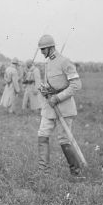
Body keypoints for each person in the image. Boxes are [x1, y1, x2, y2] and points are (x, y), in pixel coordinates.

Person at [36, 34, 83, 178]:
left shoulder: (65, 62)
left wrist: (58, 97)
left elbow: (76, 85)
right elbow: (52, 84)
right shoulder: (47, 63)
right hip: (49, 107)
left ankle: (76, 171)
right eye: (41, 49)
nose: (42, 52)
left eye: (44, 49)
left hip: (64, 107)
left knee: (64, 139)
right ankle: (43, 171)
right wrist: (46, 90)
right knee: (42, 134)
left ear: (51, 48)